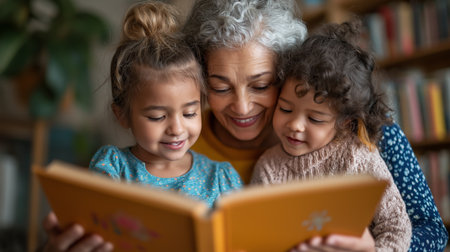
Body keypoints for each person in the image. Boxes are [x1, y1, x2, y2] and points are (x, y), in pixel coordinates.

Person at [183, 0, 448, 251]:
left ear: (288, 73)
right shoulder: (180, 143)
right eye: (220, 87)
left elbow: (434, 232)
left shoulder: (367, 134)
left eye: (261, 85)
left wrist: (371, 248)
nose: (242, 107)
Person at [40, 1, 242, 251]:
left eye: (190, 113)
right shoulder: (113, 169)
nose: (177, 128)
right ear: (122, 115)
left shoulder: (221, 179)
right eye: (157, 117)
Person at [251, 20, 411, 251]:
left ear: (344, 124)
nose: (295, 125)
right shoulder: (268, 167)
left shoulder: (358, 157)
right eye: (285, 109)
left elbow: (396, 225)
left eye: (315, 119)